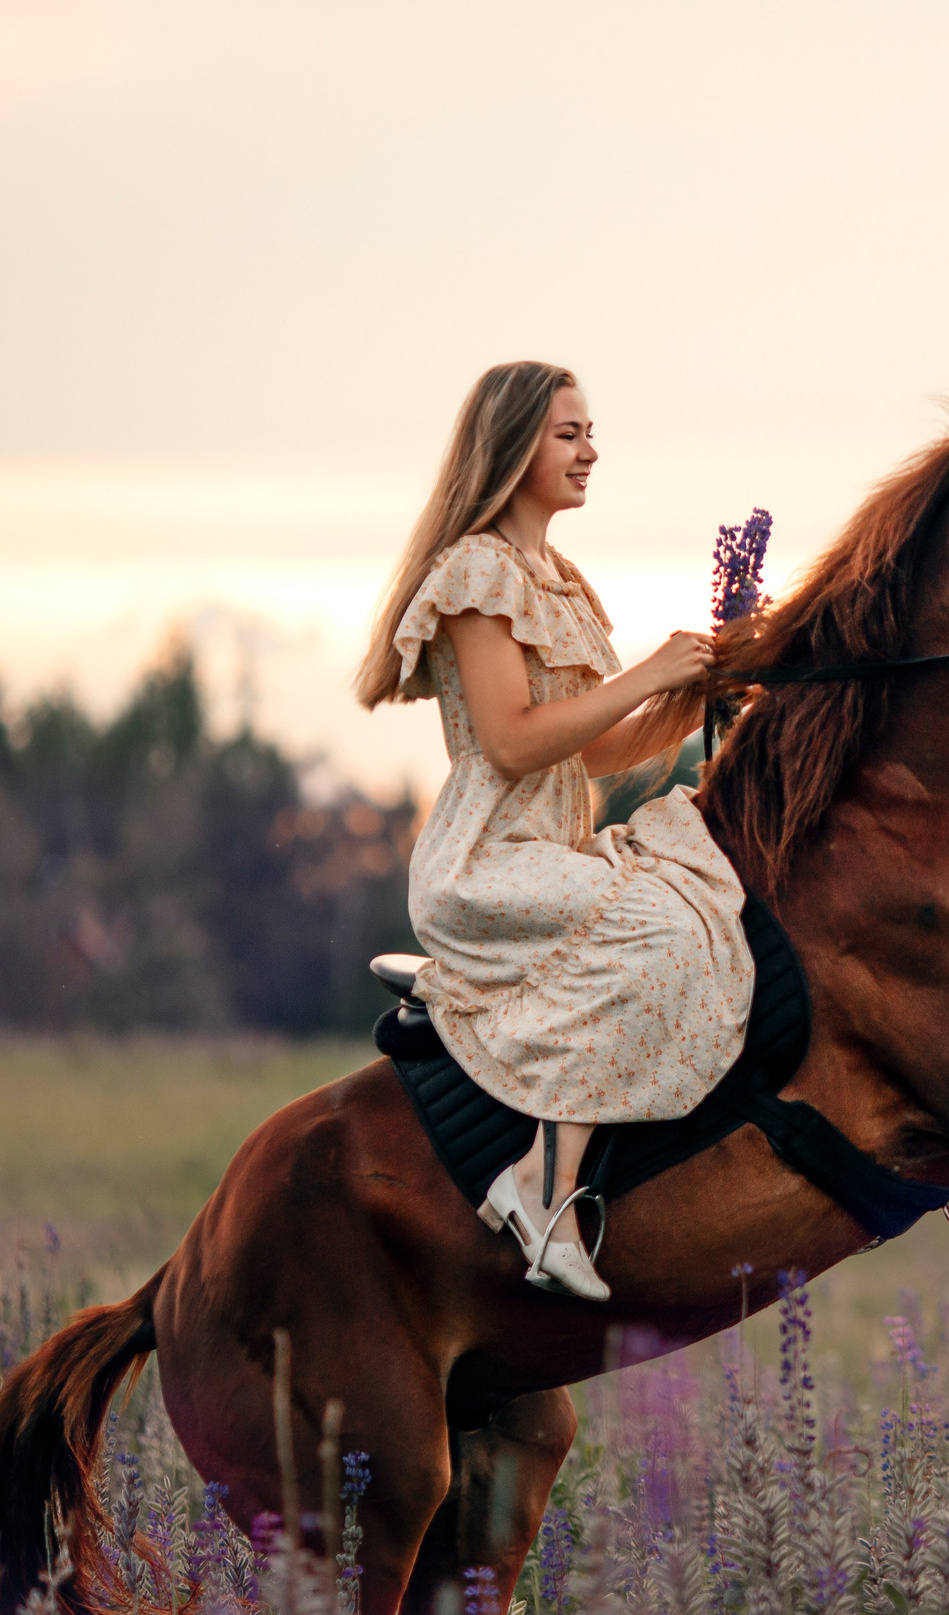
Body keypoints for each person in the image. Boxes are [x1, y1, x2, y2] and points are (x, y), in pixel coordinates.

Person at [355, 362, 754, 1301]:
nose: (590, 451)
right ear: (515, 445)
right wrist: (651, 673)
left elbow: (595, 750)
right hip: (488, 858)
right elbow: (512, 741)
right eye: (568, 434)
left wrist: (699, 692)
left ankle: (561, 1173)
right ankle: (541, 1185)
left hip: (553, 848)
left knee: (699, 910)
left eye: (589, 433)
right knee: (658, 924)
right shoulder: (477, 572)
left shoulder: (559, 582)